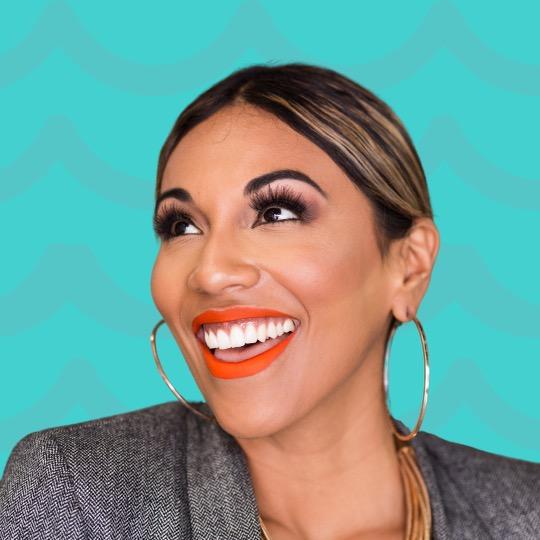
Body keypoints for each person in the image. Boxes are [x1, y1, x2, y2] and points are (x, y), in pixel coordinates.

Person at [1, 63, 539, 539]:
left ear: (409, 266)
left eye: (276, 213)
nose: (211, 272)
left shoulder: (526, 511)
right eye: (182, 225)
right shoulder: (77, 493)